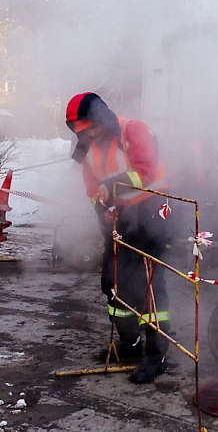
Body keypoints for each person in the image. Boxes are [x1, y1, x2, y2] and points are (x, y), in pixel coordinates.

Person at [66, 92, 171, 384]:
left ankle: (157, 355)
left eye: (91, 128)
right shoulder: (87, 147)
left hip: (151, 213)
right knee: (113, 282)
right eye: (82, 132)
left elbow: (146, 173)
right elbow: (91, 186)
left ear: (101, 118)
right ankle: (129, 344)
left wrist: (111, 188)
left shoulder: (133, 130)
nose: (89, 135)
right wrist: (103, 209)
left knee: (149, 286)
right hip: (120, 218)